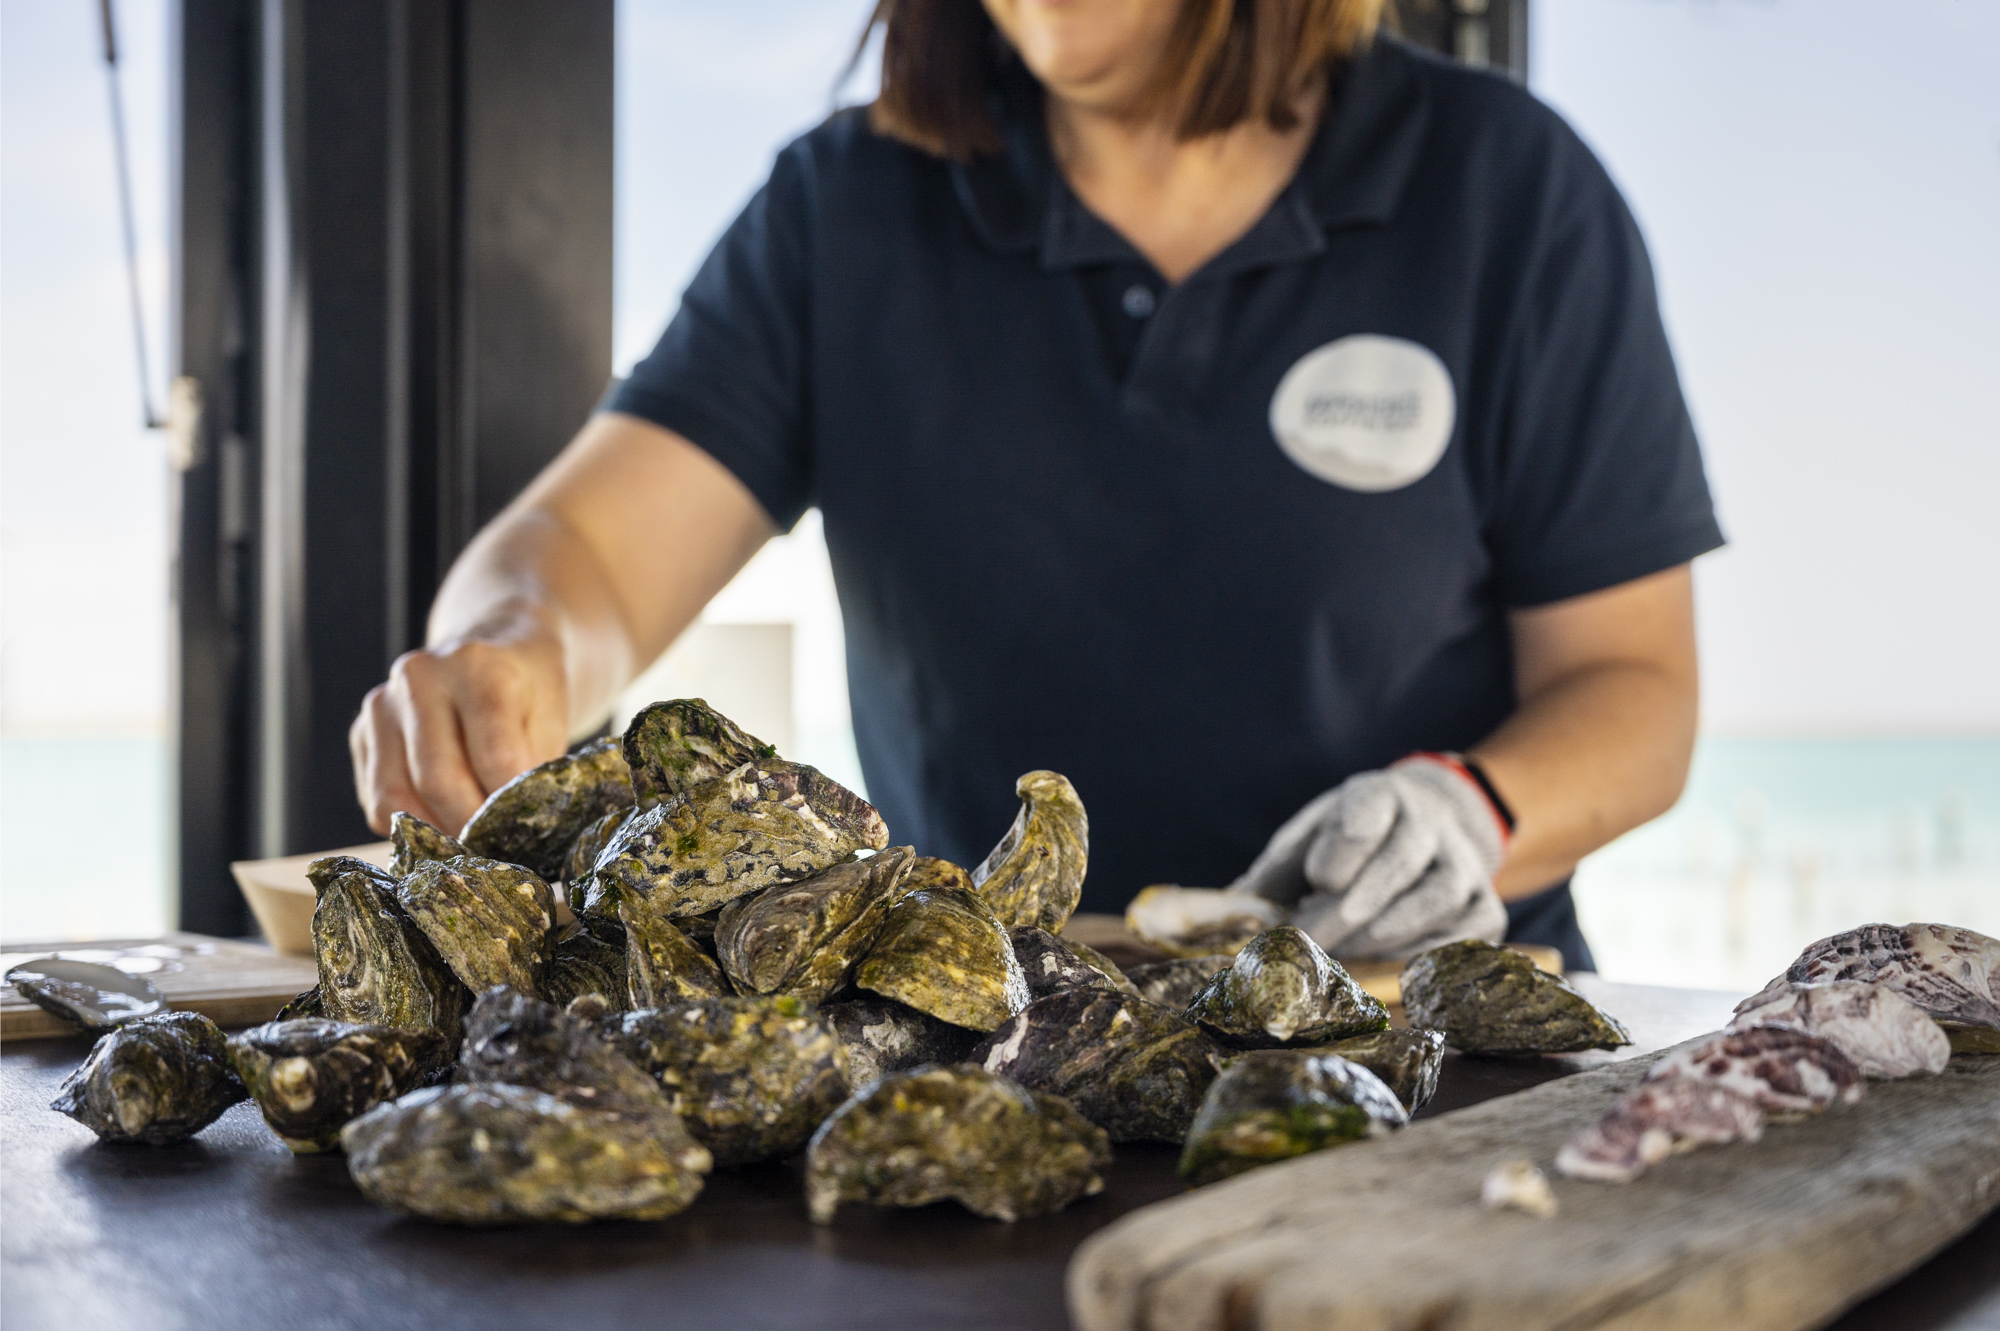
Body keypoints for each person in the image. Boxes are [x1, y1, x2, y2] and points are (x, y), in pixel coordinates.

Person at [349, 0, 1721, 972]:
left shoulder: (1509, 190)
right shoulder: (848, 207)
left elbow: (1635, 688)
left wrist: (1472, 813)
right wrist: (501, 651)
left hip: (1426, 1045)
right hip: (980, 1057)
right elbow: (582, 544)